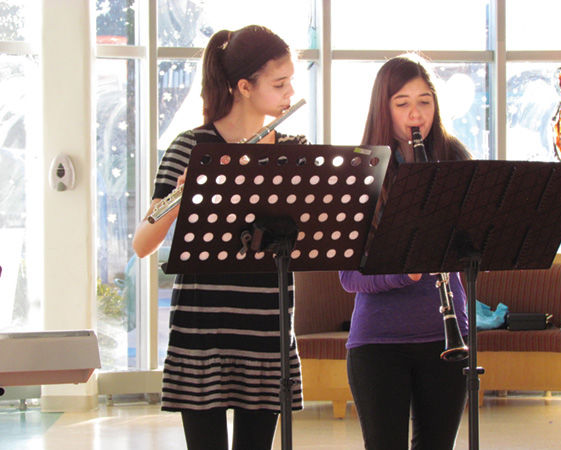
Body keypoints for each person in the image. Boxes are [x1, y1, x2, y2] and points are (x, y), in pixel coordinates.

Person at [132, 25, 307, 450]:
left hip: (265, 327)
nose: (289, 92)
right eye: (279, 83)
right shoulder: (190, 147)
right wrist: (182, 191)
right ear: (245, 87)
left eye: (290, 83)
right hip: (203, 327)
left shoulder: (292, 150)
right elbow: (142, 243)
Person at [339, 54, 471, 450]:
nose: (416, 114)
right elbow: (349, 278)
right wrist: (404, 272)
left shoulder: (454, 157)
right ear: (384, 107)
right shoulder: (362, 170)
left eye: (425, 101)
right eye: (402, 103)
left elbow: (475, 241)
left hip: (447, 337)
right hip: (378, 343)